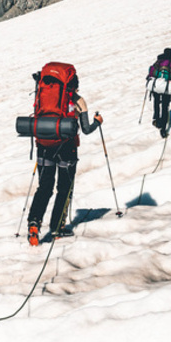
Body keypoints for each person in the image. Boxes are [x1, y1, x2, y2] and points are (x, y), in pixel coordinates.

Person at [26, 63, 103, 246]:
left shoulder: (41, 96)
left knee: (44, 187)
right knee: (64, 188)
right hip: (67, 148)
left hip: (43, 146)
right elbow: (85, 129)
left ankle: (34, 223)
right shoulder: (78, 100)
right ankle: (57, 228)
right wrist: (97, 122)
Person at [147, 48, 171, 138]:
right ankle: (163, 129)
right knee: (165, 107)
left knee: (156, 102)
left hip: (156, 86)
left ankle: (157, 120)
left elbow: (151, 72)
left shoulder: (158, 62)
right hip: (166, 87)